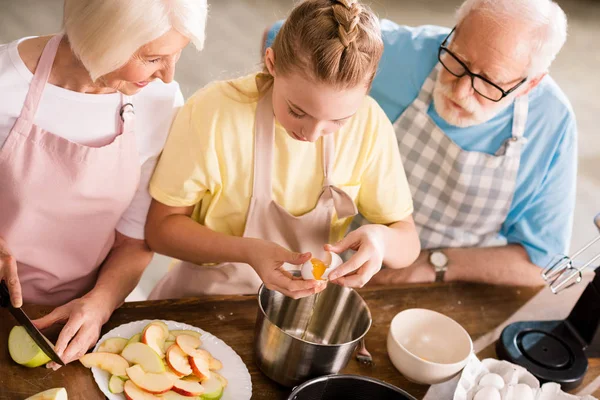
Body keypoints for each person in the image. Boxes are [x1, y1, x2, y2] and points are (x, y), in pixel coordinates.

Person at [264, 0, 576, 287]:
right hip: (330, 258)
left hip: (439, 285)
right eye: (458, 59)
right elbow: (278, 36)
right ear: (454, 32)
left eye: (489, 83)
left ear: (530, 84)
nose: (463, 90)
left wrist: (434, 264)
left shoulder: (551, 125)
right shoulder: (399, 51)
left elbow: (543, 263)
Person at [145, 0, 420, 300]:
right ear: (271, 62)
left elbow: (408, 241)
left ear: (365, 92)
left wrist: (381, 240)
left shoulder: (369, 125)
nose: (312, 134)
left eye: (338, 121)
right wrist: (248, 251)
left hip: (303, 309)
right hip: (206, 298)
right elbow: (160, 230)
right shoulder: (213, 114)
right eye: (297, 111)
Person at [0, 0, 207, 367]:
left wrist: (100, 303)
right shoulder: (6, 86)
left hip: (81, 312)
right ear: (103, 37)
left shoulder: (160, 101)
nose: (168, 76)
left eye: (176, 55)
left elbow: (136, 237)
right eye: (153, 58)